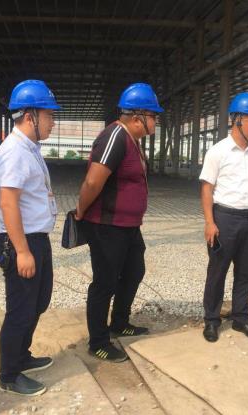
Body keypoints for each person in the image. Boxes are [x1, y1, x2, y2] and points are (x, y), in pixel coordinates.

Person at [75, 83, 163, 362]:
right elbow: (92, 181)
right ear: (138, 117)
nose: (156, 121)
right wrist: (80, 212)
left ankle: (120, 322)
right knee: (105, 283)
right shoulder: (114, 136)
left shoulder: (132, 140)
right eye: (153, 116)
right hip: (107, 226)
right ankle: (98, 342)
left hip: (128, 225)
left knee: (135, 270)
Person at [0, 80, 59, 395]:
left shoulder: (30, 149)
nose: (53, 122)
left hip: (36, 239)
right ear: (31, 116)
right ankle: (9, 374)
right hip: (21, 241)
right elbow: (9, 203)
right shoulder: (15, 151)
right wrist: (22, 251)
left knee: (38, 302)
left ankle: (21, 355)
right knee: (20, 310)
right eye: (49, 115)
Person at [200, 92, 248, 343]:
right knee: (217, 271)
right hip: (225, 218)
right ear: (237, 120)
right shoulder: (218, 151)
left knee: (247, 272)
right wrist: (210, 222)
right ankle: (211, 320)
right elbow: (207, 188)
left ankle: (241, 318)